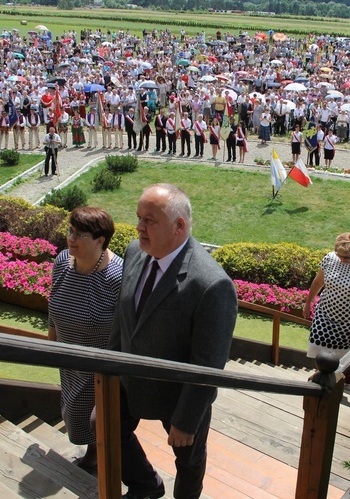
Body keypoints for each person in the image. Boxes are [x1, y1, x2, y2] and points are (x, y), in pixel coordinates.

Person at [108, 183, 237, 499]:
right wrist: (107, 372)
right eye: (138, 217)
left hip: (178, 395)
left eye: (149, 220)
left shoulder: (211, 284)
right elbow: (123, 319)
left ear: (179, 226)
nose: (139, 227)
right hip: (127, 380)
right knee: (107, 429)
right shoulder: (135, 251)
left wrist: (187, 419)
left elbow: (209, 363)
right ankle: (146, 485)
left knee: (189, 462)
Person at [48, 207, 123, 472]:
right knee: (71, 411)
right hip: (67, 356)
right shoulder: (62, 262)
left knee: (87, 415)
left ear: (100, 241)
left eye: (79, 234)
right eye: (70, 231)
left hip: (98, 365)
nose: (71, 238)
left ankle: (96, 457)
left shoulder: (117, 276)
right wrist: (51, 341)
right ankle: (93, 454)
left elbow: (126, 327)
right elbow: (52, 303)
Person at [304, 233, 350, 360]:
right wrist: (308, 303)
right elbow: (318, 282)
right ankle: (318, 377)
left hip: (348, 321)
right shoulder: (330, 258)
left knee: (340, 358)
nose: (342, 260)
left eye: (347, 257)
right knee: (316, 349)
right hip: (324, 314)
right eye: (339, 255)